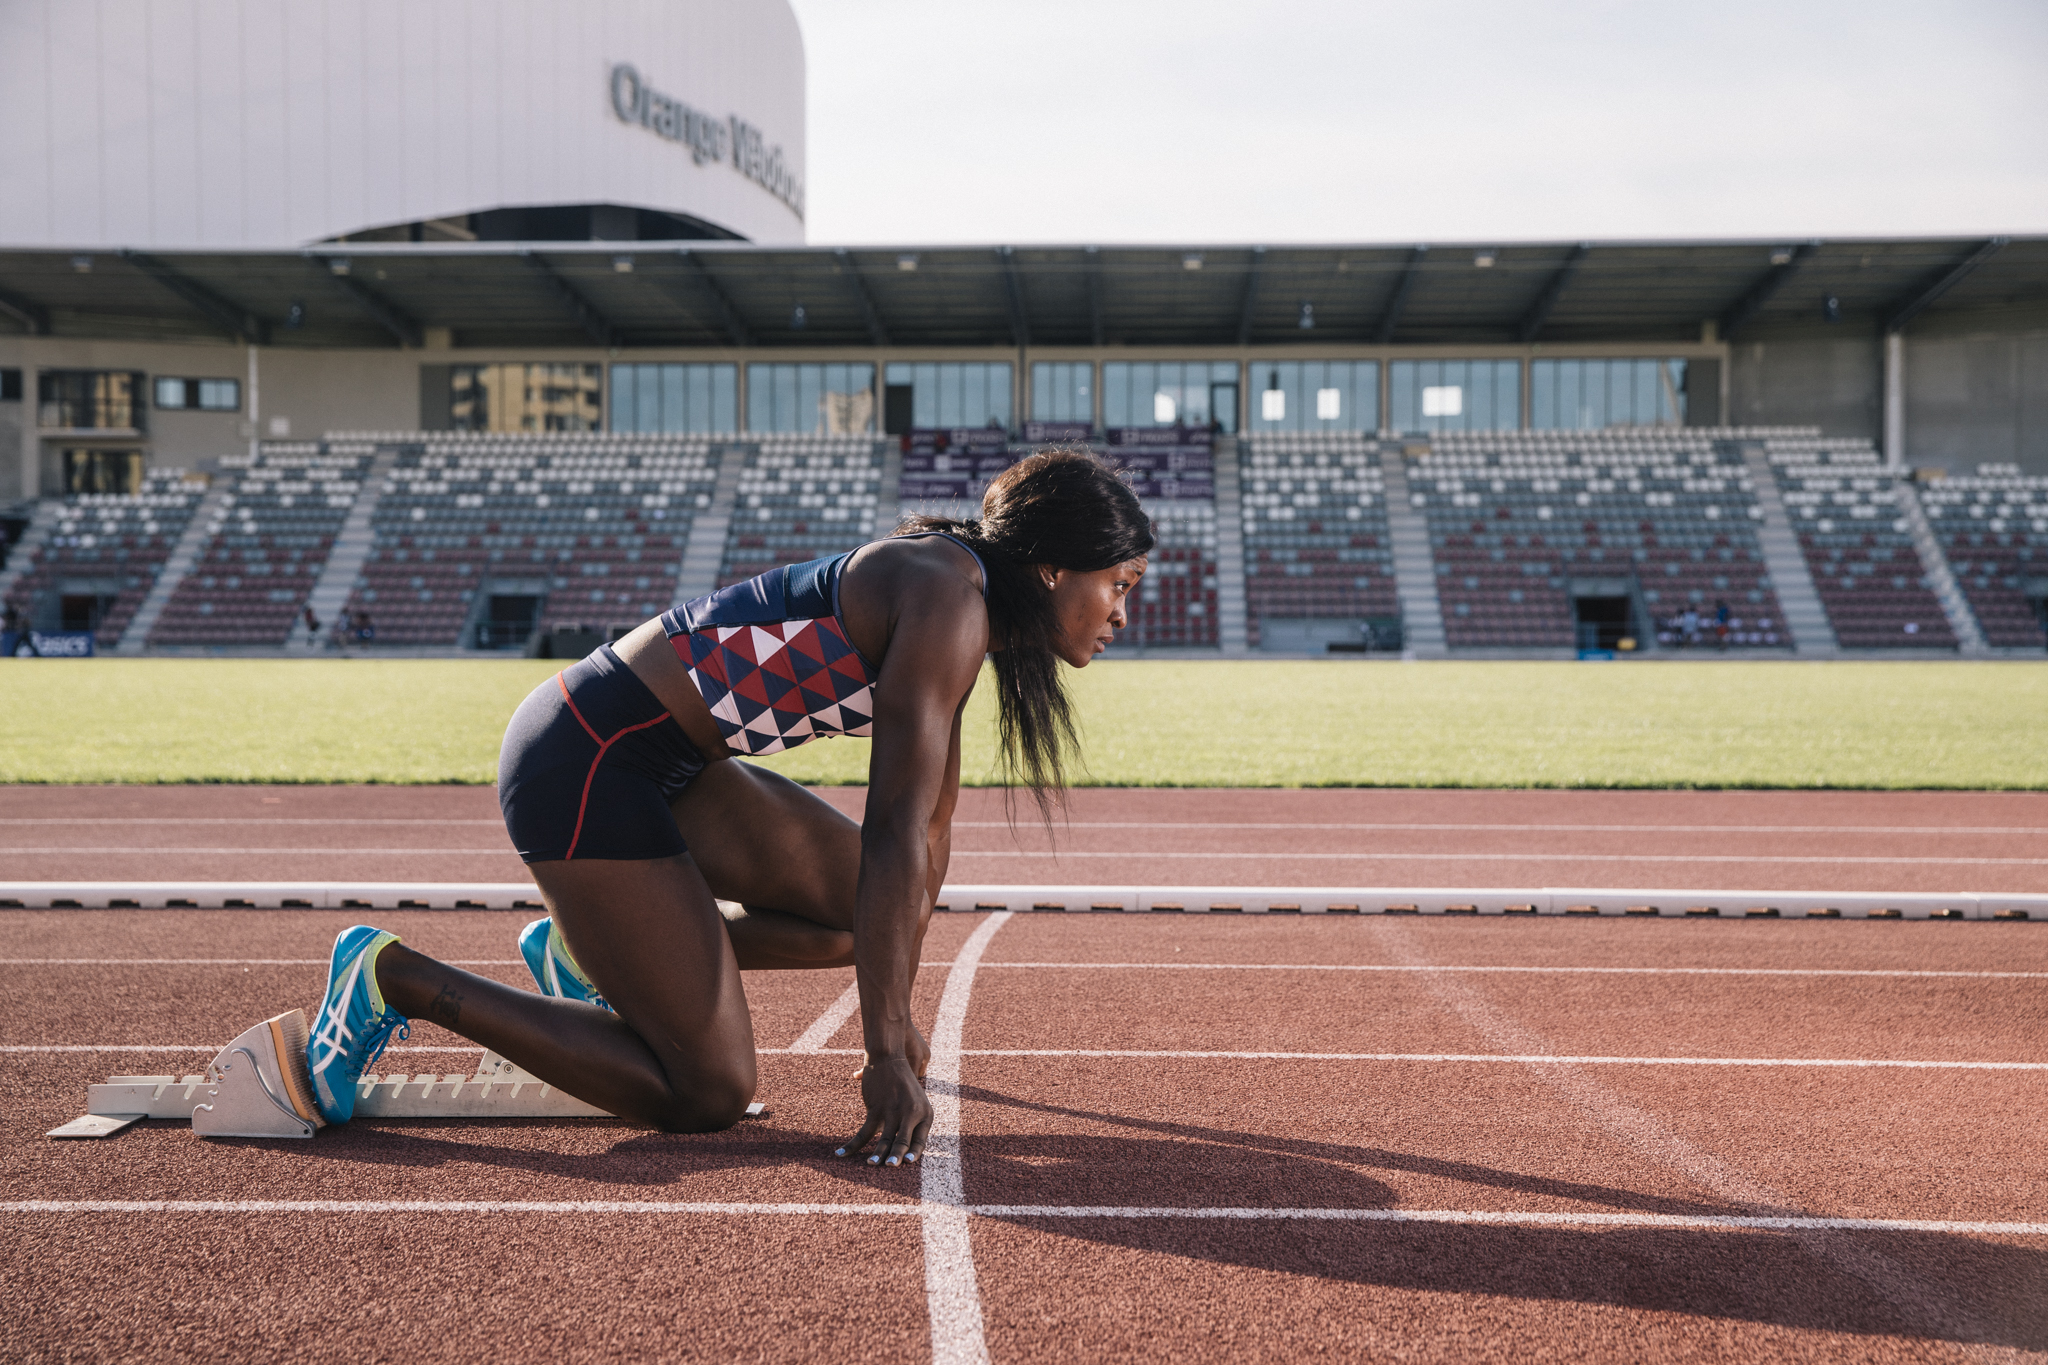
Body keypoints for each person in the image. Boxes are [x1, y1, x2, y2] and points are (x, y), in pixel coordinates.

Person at [295, 450, 1152, 1167]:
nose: (1121, 611)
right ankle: (393, 979)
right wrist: (884, 1049)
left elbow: (927, 837)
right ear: (1051, 568)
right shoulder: (947, 598)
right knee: (706, 1091)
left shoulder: (965, 602)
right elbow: (892, 828)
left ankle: (594, 957)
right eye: (1119, 582)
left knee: (881, 911)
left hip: (677, 763)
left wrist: (897, 1012)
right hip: (585, 756)